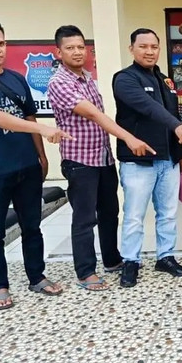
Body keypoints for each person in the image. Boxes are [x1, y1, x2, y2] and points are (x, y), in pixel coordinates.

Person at [0, 20, 71, 310]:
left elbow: (29, 118)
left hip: (27, 166)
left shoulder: (17, 79)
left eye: (1, 43)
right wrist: (44, 129)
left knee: (32, 227)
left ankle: (37, 277)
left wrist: (41, 156)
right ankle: (0, 286)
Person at [48, 25, 155, 291]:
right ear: (58, 52)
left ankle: (111, 259)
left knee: (109, 212)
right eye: (70, 48)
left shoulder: (87, 78)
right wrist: (129, 138)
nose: (77, 52)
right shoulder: (59, 83)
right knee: (84, 219)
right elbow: (95, 115)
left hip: (103, 158)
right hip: (79, 160)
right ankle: (85, 272)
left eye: (80, 47)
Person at [113, 28, 182, 285]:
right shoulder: (124, 79)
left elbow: (174, 114)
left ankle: (166, 256)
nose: (149, 51)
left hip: (168, 160)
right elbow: (148, 107)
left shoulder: (166, 81)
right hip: (138, 162)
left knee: (168, 213)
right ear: (131, 49)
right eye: (143, 46)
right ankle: (131, 261)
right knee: (134, 215)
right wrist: (178, 127)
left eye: (154, 46)